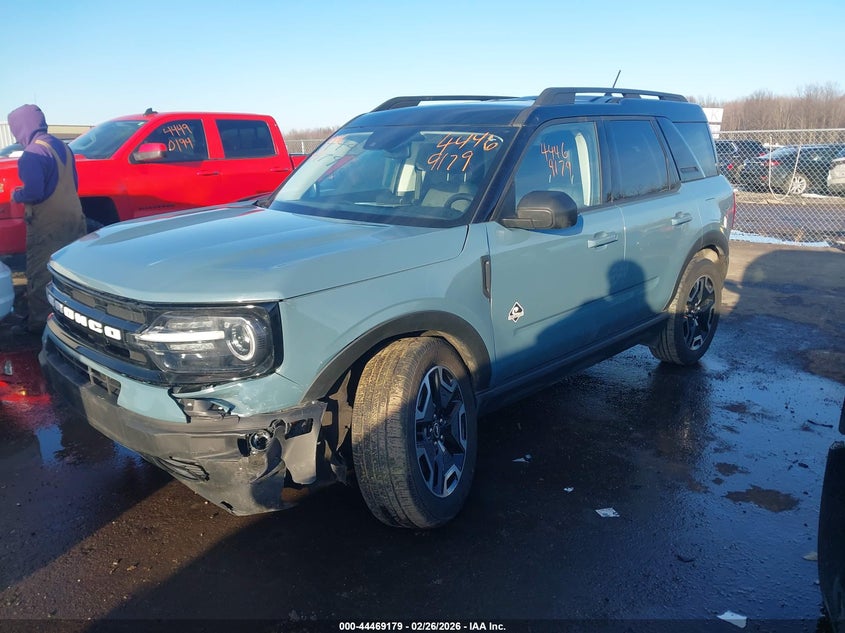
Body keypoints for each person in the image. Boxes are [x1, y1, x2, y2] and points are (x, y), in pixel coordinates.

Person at [6, 104, 87, 334]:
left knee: (42, 275)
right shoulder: (62, 146)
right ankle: (72, 319)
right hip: (74, 219)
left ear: (21, 127)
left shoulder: (32, 154)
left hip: (48, 226)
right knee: (69, 273)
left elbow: (34, 192)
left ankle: (41, 327)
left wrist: (16, 194)